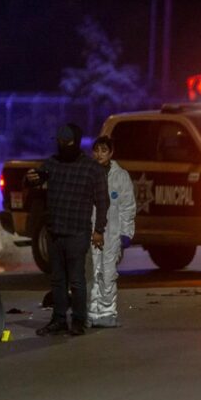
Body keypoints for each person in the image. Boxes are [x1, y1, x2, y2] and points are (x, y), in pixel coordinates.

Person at [26, 124, 110, 336]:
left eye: (68, 142)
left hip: (77, 232)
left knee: (76, 280)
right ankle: (59, 320)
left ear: (77, 142)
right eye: (61, 142)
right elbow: (35, 179)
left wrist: (99, 229)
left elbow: (102, 201)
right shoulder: (52, 164)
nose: (64, 146)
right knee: (57, 281)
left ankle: (79, 321)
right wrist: (30, 178)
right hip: (55, 231)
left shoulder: (92, 169)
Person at [87, 136, 136, 328]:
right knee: (92, 273)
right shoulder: (89, 174)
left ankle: (107, 313)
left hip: (112, 233)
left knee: (108, 274)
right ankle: (91, 314)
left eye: (104, 150)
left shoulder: (120, 176)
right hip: (91, 232)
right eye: (97, 150)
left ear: (111, 153)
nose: (99, 154)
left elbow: (127, 206)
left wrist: (126, 233)